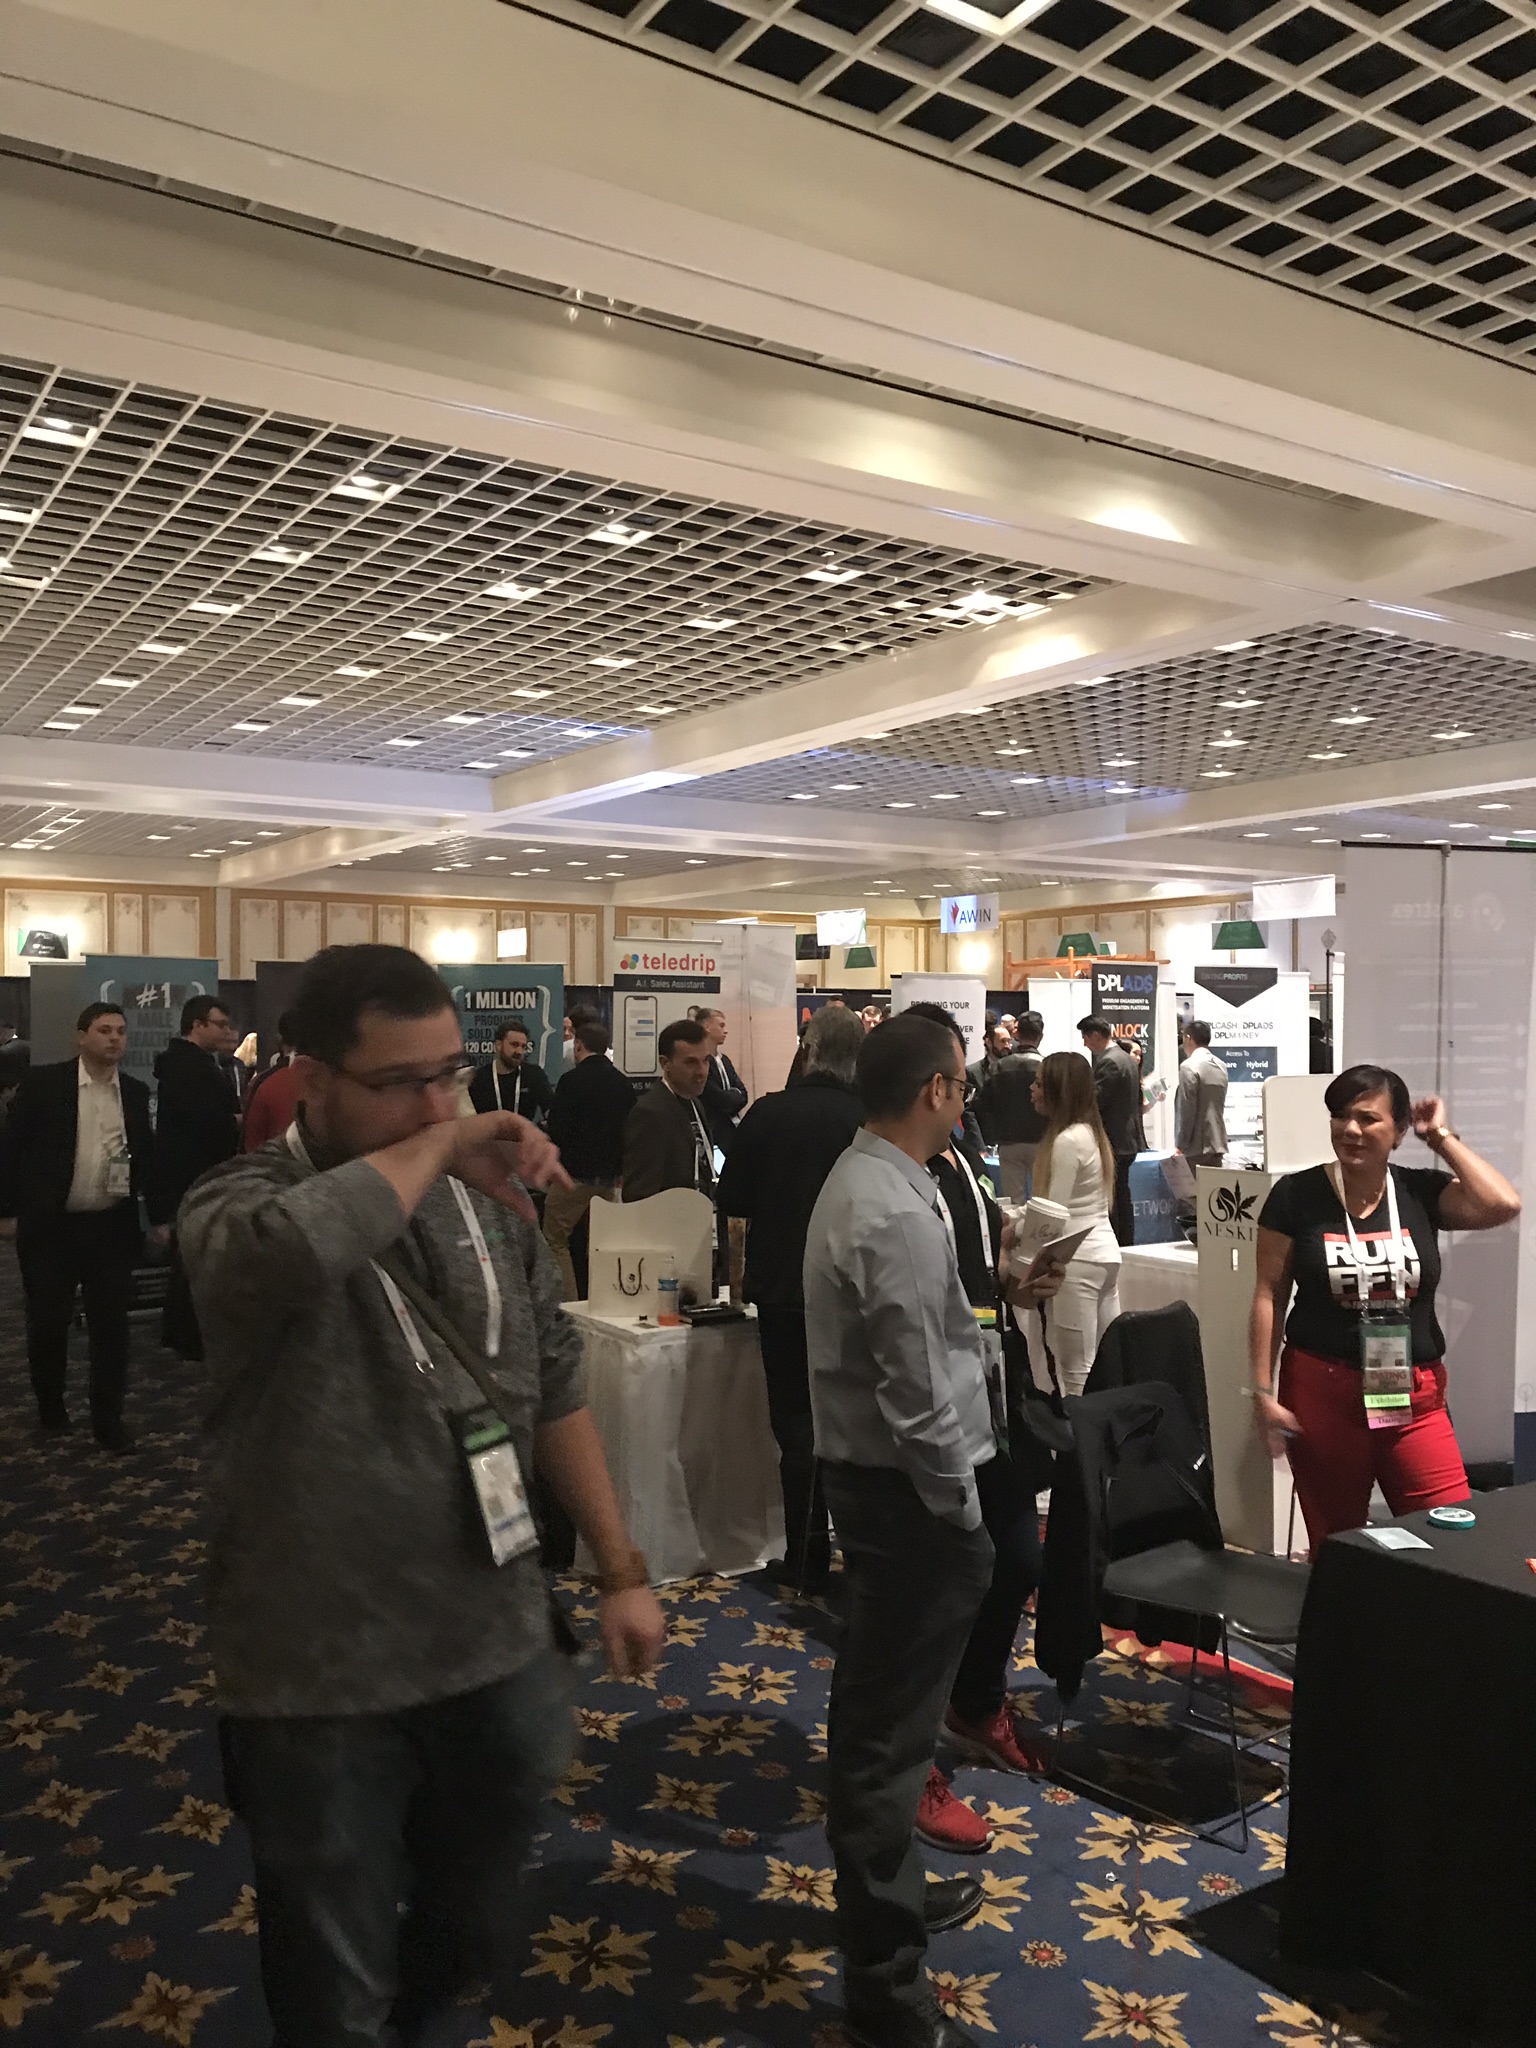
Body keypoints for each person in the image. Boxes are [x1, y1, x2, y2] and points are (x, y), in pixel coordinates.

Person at [177, 943, 665, 2045]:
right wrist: (442, 1142)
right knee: (333, 1974)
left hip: (492, 1642)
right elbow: (283, 1255)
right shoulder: (241, 1198)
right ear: (312, 1079)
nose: (439, 1104)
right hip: (319, 1673)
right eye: (401, 1081)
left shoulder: (487, 1209)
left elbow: (551, 1385)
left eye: (449, 1074)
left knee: (471, 1927)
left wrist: (620, 1566)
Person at [806, 1013, 1057, 2048]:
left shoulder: (885, 1181)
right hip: (909, 1498)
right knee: (883, 1734)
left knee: (890, 1720)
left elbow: (933, 1343)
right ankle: (886, 1984)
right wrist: (961, 1512)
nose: (967, 1099)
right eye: (960, 1084)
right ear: (938, 1091)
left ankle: (890, 1900)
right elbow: (916, 1391)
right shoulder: (889, 1206)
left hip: (895, 1490)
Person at [1249, 1063, 1518, 1549]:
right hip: (1322, 1392)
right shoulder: (1296, 1195)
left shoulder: (1418, 1192)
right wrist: (1262, 1393)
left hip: (1412, 1393)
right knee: (1339, 1545)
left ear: (1398, 1131)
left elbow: (1502, 1204)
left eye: (1368, 1118)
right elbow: (1268, 1293)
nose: (1350, 1129)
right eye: (1340, 1116)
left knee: (1453, 1536)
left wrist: (1439, 1137)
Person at [715, 1004, 865, 1598]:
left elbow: (733, 1199)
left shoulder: (769, 1113)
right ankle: (860, 1555)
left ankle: (804, 1557)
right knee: (852, 1426)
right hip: (852, 1292)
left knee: (797, 1429)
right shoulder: (868, 1120)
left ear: (808, 1049)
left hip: (783, 1290)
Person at [0, 1002, 160, 1452]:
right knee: (48, 1322)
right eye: (104, 1030)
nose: (115, 1039)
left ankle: (108, 1420)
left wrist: (160, 1216)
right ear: (81, 1036)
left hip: (110, 1228)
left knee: (111, 1328)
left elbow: (145, 1159)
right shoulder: (45, 1084)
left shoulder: (133, 1092)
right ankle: (51, 1407)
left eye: (121, 1031)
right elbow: (11, 1150)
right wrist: (7, 1211)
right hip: (50, 1228)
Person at [150, 993, 242, 1361]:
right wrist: (234, 1121)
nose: (227, 1031)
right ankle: (186, 1337)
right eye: (220, 1024)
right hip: (193, 1175)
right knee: (193, 1258)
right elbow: (201, 1122)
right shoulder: (187, 1067)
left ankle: (186, 1334)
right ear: (197, 1025)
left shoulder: (196, 1063)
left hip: (197, 1173)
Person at [1030, 1050, 1122, 1397]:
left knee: (1077, 1374)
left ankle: (1081, 1434)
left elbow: (1052, 1213)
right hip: (1104, 1255)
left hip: (1077, 1261)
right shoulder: (1091, 1134)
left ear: (1059, 1090)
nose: (1032, 1089)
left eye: (1039, 1083)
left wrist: (1013, 1227)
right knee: (1106, 1368)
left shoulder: (1068, 1140)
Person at [543, 1022, 636, 1300]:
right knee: (603, 1244)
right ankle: (607, 1300)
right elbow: (630, 1131)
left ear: (578, 1046)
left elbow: (557, 1129)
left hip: (573, 1177)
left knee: (554, 1239)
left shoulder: (571, 1081)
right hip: (610, 1179)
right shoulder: (623, 1083)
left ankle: (570, 1304)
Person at [621, 1017, 716, 1202]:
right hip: (668, 1216)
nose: (702, 1071)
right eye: (691, 1062)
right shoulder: (650, 1112)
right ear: (665, 1063)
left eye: (705, 1060)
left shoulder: (695, 1103)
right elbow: (639, 1193)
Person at [1078, 1013, 1141, 1246]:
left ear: (1095, 1035)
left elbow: (1096, 1101)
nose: (1084, 1043)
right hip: (1126, 1138)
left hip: (1114, 1139)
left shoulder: (1110, 1062)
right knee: (1121, 1194)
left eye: (1085, 1038)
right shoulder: (1125, 1058)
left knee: (1113, 1198)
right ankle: (1125, 1241)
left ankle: (1117, 1242)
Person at [977, 1010, 1046, 1199]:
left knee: (1013, 1202)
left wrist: (994, 1133)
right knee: (1042, 1200)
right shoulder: (1047, 1066)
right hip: (1042, 1142)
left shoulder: (998, 1067)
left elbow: (983, 1105)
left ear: (1016, 1033)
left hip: (1008, 1142)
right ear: (1040, 1036)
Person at [469, 1020, 555, 1124]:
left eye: (523, 1046)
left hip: (524, 1133)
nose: (519, 1051)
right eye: (514, 1045)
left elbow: (551, 1109)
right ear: (498, 1045)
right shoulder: (479, 1078)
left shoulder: (534, 1074)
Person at [243, 1012, 304, 1152]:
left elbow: (251, 1146)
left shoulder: (264, 1083)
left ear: (280, 1039)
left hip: (273, 1162)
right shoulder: (336, 1080)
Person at [692, 1005, 748, 1157]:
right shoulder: (700, 1063)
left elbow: (744, 1094)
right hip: (712, 1131)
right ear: (707, 1027)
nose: (726, 1030)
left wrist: (732, 1097)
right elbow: (715, 1097)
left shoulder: (725, 1060)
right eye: (721, 1025)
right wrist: (732, 1096)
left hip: (731, 1129)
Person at [1175, 1020, 1228, 1170]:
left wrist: (1181, 1144)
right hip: (1218, 1142)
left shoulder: (1189, 1066)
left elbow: (1187, 1109)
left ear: (1188, 1038)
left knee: (1193, 1185)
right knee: (1214, 1184)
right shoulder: (1221, 1065)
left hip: (1195, 1145)